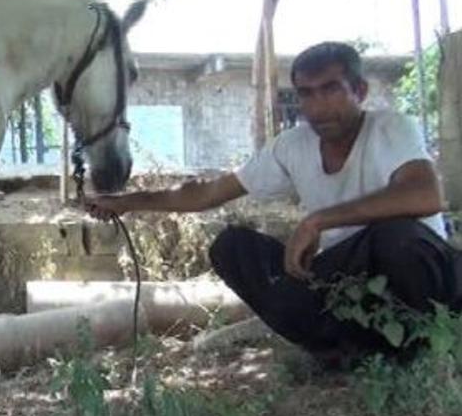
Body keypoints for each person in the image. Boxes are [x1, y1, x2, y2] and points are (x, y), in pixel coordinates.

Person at [87, 41, 461, 364]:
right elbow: (208, 193)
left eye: (330, 89)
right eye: (306, 93)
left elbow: (426, 196)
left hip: (416, 277)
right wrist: (126, 201)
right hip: (348, 282)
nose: (317, 106)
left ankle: (423, 350)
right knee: (233, 247)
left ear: (359, 91)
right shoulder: (292, 145)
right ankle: (341, 352)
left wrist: (317, 222)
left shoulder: (391, 128)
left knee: (398, 235)